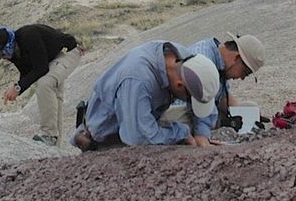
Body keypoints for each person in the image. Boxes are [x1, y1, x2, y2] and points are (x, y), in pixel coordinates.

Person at [71, 40, 219, 151]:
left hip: (145, 120)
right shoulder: (138, 80)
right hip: (107, 138)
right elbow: (137, 138)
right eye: (190, 99)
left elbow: (204, 98)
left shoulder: (183, 57)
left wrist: (202, 134)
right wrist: (182, 133)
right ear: (179, 85)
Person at [0, 24, 82, 146]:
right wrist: (16, 88)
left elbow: (41, 69)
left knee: (45, 84)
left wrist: (18, 88)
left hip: (68, 51)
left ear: (8, 45)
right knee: (54, 98)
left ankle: (49, 136)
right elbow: (26, 73)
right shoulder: (14, 52)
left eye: (2, 54)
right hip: (52, 60)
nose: (3, 58)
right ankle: (56, 146)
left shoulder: (29, 35)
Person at [161, 32, 265, 143]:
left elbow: (224, 98)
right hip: (178, 109)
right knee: (191, 124)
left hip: (204, 108)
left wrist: (248, 116)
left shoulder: (222, 63)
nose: (242, 78)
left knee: (251, 107)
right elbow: (199, 107)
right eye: (245, 72)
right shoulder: (203, 56)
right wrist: (205, 133)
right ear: (237, 58)